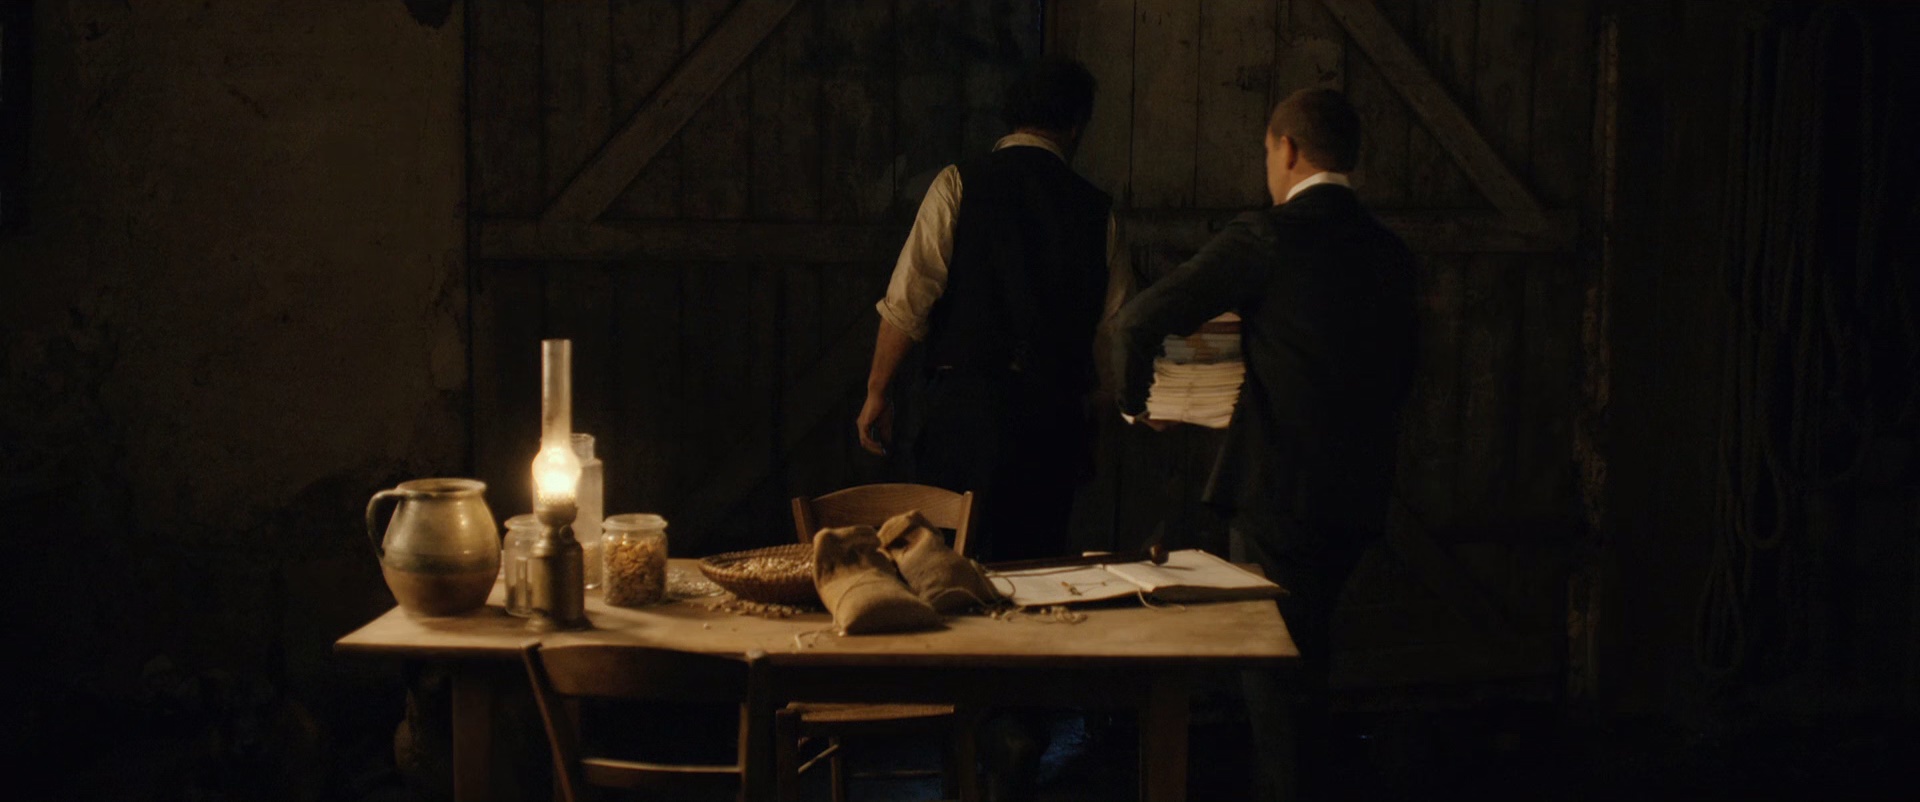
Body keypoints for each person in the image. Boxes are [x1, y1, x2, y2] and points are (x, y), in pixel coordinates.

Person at [1109, 88, 1419, 800]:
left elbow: (1137, 321)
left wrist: (1135, 404)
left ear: (1287, 149)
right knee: (1308, 671)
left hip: (1278, 494)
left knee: (1277, 690)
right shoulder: (1392, 254)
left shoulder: (1270, 236)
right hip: (1360, 494)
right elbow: (1403, 372)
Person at [856, 57, 1121, 565]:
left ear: (1012, 116)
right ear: (1076, 126)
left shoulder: (959, 183)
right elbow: (1112, 337)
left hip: (965, 418)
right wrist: (1095, 427)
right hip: (1052, 423)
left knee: (949, 570)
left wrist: (877, 392)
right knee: (1037, 572)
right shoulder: (1098, 212)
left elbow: (909, 299)